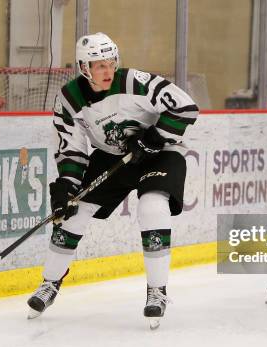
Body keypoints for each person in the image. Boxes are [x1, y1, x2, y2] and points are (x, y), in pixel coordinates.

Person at [27, 33, 199, 327]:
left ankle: (157, 291)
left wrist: (153, 138)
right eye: (99, 66)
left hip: (160, 153)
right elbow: (71, 147)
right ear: (84, 67)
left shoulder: (136, 81)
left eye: (110, 64)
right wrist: (67, 185)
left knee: (152, 206)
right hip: (114, 156)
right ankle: (50, 283)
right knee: (73, 211)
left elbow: (185, 108)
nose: (107, 71)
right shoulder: (70, 99)